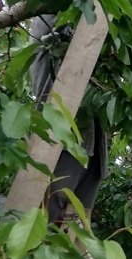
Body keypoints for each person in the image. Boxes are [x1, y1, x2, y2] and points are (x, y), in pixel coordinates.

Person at [30, 14, 109, 224]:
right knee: (47, 222)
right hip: (61, 142)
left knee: (74, 228)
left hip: (93, 147)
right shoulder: (54, 17)